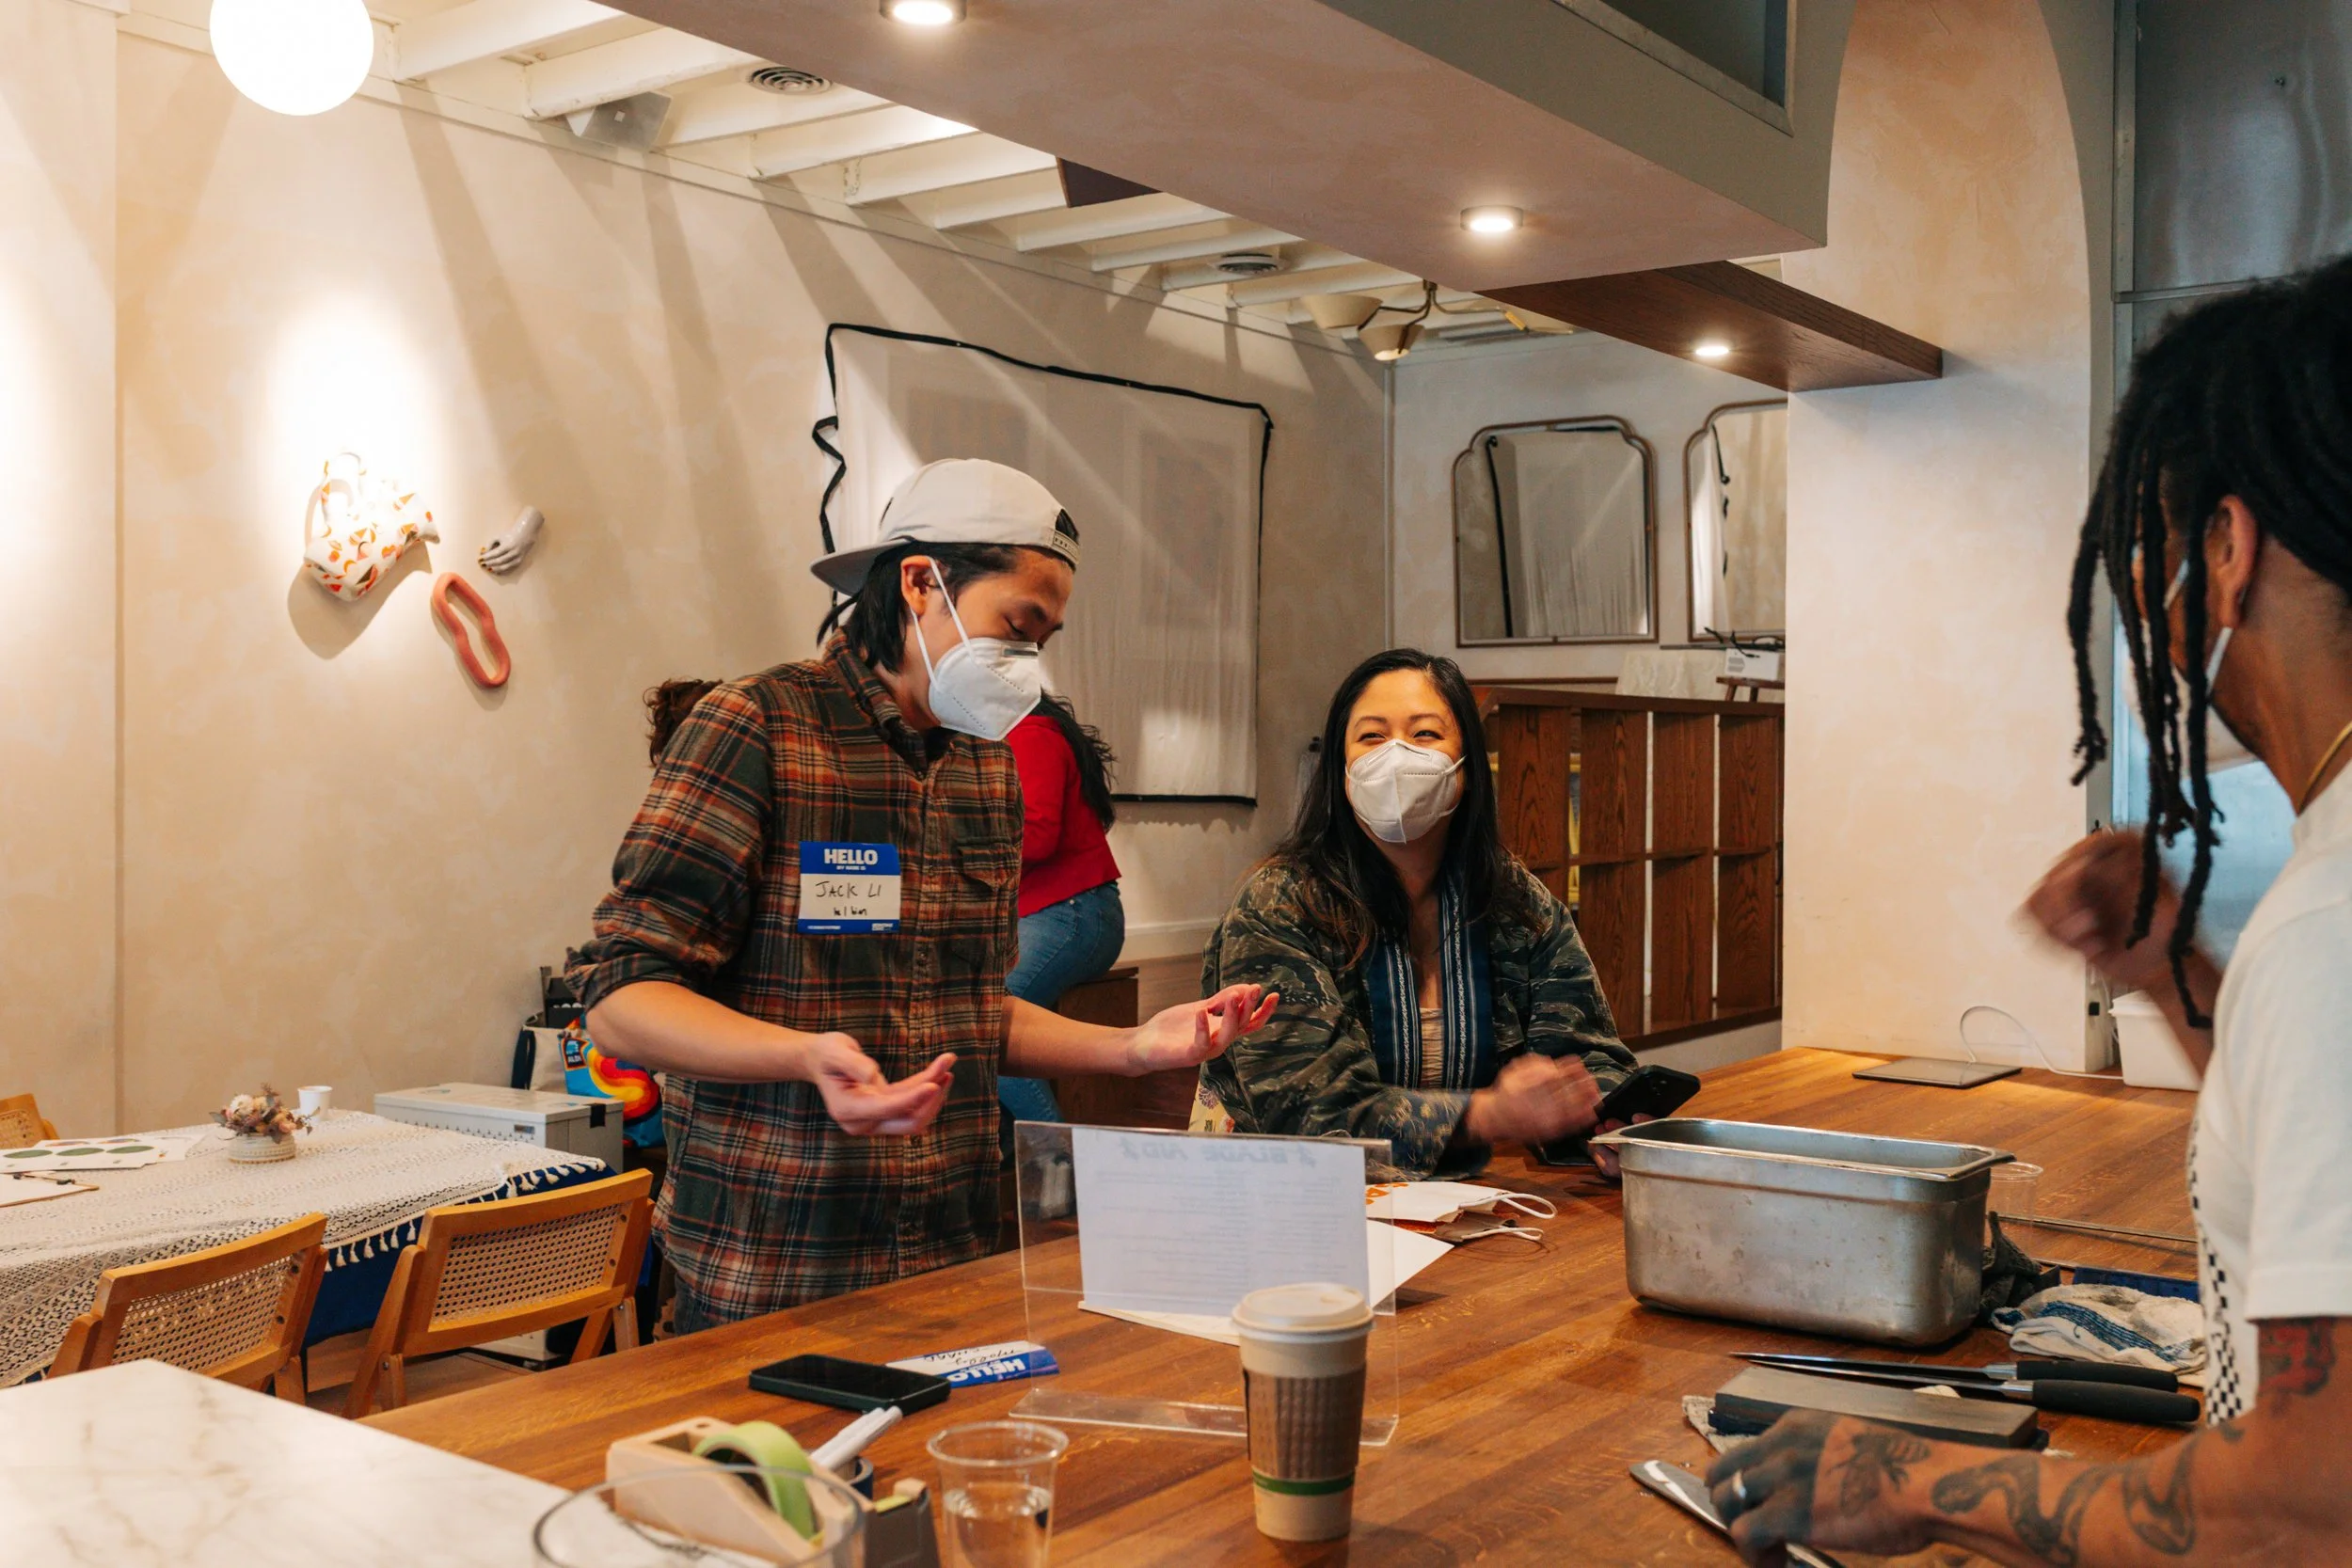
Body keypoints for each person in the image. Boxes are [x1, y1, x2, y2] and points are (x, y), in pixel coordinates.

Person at [1705, 261, 2352, 1563]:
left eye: (2152, 555)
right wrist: (2171, 969)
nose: (2147, 614)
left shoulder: (2332, 924)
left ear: (2226, 552)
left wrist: (1921, 1480)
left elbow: (2309, 1504)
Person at [569, 459, 1277, 1331]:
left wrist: (1134, 1047)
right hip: (779, 1259)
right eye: (1015, 626)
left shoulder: (988, 769)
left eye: (1042, 641)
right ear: (919, 582)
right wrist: (803, 1055)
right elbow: (621, 999)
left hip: (954, 1256)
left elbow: (972, 1011)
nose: (1025, 662)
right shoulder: (758, 726)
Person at [1196, 648, 1636, 1179]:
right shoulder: (1279, 905)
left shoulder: (1516, 902)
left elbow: (1585, 1055)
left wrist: (1609, 1121)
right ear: (1341, 769)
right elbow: (1313, 1115)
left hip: (1458, 1206)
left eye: (1425, 734)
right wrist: (1487, 1113)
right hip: (1277, 1199)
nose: (1397, 756)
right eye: (1372, 737)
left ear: (1467, 767)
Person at [996, 693, 1125, 1129]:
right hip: (1056, 913)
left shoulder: (1032, 734)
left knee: (980, 1022)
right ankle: (1012, 1158)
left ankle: (1058, 1167)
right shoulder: (1011, 737)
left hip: (1071, 914)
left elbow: (1037, 835)